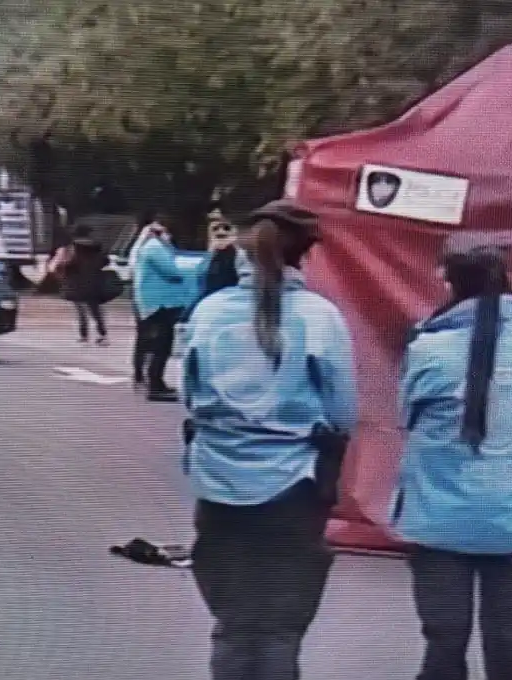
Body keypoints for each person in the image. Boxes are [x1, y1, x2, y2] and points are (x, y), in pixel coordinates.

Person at [181, 199, 358, 680]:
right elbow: (343, 412)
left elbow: (190, 398)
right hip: (292, 489)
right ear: (304, 254)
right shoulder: (322, 318)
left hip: (216, 484)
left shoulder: (207, 313)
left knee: (234, 626)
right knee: (279, 631)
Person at [391, 236, 512, 680]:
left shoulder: (427, 348)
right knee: (510, 649)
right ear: (509, 281)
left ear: (448, 283)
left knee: (444, 645)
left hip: (439, 517)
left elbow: (406, 417)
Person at [133, 212, 185, 402]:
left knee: (157, 343)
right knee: (161, 344)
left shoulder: (149, 246)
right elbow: (172, 271)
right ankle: (155, 384)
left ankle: (156, 382)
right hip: (158, 303)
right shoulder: (155, 248)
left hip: (153, 302)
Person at [48, 224, 110, 345]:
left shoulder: (70, 248)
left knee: (81, 310)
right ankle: (102, 334)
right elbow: (105, 261)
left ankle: (84, 336)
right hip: (94, 282)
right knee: (95, 310)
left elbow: (56, 266)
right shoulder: (97, 246)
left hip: (75, 282)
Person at [128, 211, 165, 388]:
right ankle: (147, 374)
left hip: (140, 294)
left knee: (144, 334)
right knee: (152, 335)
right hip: (151, 296)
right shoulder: (152, 245)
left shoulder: (139, 244)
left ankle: (139, 372)